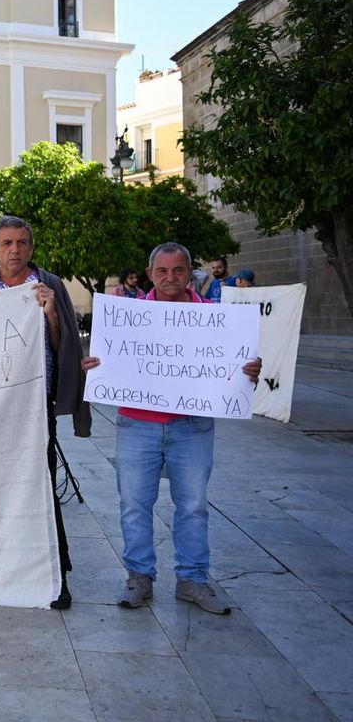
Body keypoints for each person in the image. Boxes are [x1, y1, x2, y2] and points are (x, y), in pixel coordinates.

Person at [83, 242, 261, 615]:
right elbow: (107, 361)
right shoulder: (128, 316)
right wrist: (97, 365)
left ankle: (193, 579)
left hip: (192, 427)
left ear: (189, 273)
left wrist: (249, 372)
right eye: (161, 271)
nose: (169, 278)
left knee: (194, 505)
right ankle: (139, 577)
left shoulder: (215, 317)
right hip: (137, 423)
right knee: (134, 504)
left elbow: (238, 368)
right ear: (150, 274)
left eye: (177, 270)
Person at [0, 215, 91, 610]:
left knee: (40, 488)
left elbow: (62, 342)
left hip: (36, 408)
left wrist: (50, 314)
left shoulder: (49, 285)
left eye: (21, 242)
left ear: (31, 248)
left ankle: (56, 573)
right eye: (6, 243)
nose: (14, 250)